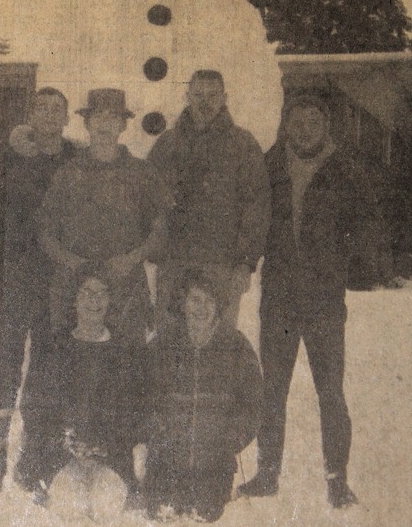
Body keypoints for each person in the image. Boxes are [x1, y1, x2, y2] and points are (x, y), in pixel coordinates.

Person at [237, 94, 384, 508]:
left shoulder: (344, 170)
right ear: (286, 126)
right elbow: (250, 214)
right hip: (280, 298)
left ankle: (337, 480)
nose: (304, 131)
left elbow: (368, 222)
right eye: (297, 123)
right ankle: (267, 474)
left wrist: (348, 263)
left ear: (326, 128)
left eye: (313, 124)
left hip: (323, 300)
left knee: (330, 392)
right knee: (273, 391)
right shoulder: (269, 166)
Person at [0, 87, 78, 495]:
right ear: (30, 114)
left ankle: (36, 454)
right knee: (6, 367)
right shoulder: (6, 160)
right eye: (41, 108)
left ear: (66, 119)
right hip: (14, 279)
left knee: (48, 369)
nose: (49, 115)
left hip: (58, 284)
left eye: (57, 109)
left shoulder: (74, 160)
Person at [38, 88, 172, 346]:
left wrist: (131, 259)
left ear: (123, 124)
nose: (105, 125)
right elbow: (45, 231)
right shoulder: (68, 173)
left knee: (126, 371)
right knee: (73, 370)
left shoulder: (141, 173)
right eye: (98, 117)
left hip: (125, 288)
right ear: (87, 122)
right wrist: (74, 263)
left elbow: (160, 230)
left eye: (113, 118)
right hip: (74, 289)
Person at [17, 267, 145, 522]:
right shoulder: (53, 348)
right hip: (61, 458)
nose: (94, 301)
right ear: (74, 299)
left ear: (110, 300)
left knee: (104, 507)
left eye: (101, 294)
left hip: (111, 460)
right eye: (86, 293)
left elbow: (135, 413)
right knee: (71, 509)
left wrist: (104, 447)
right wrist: (67, 443)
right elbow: (35, 409)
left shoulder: (124, 352)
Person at [148, 69, 271, 325]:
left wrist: (245, 263)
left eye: (213, 95)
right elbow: (151, 201)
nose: (205, 102)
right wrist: (155, 252)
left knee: (218, 343)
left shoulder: (242, 145)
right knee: (171, 339)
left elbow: (256, 207)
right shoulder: (167, 144)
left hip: (221, 265)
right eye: (198, 95)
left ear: (225, 98)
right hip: (176, 263)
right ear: (187, 96)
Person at [143, 268, 263, 523]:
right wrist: (156, 430)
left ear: (219, 307)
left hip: (213, 470)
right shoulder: (162, 346)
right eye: (195, 300)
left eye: (210, 301)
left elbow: (254, 405)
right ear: (182, 303)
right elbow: (139, 398)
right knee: (164, 517)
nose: (202, 308)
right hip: (165, 467)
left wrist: (230, 439)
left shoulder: (236, 347)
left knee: (203, 518)